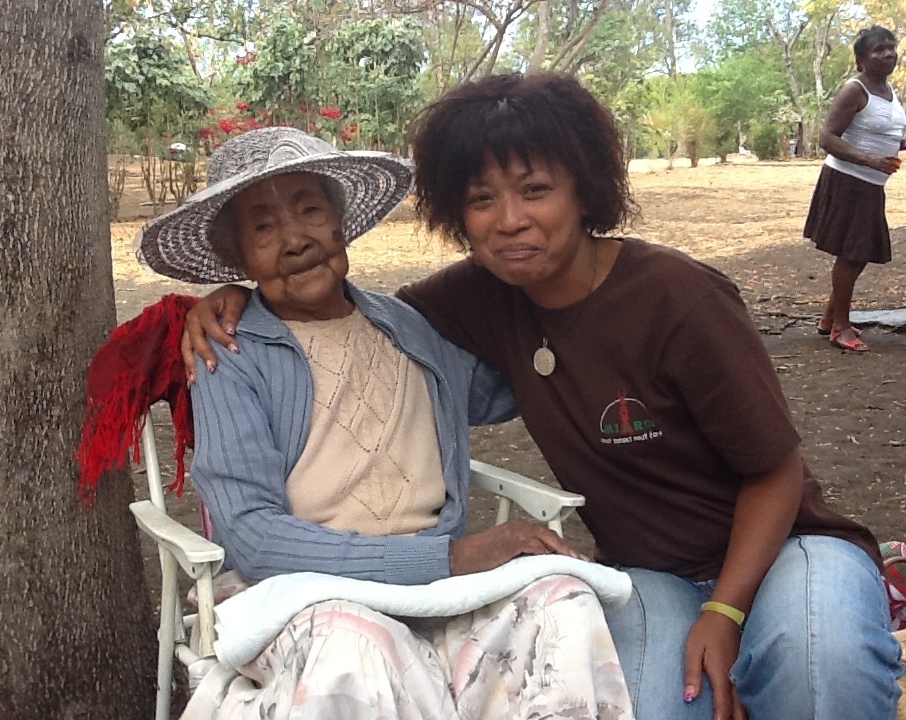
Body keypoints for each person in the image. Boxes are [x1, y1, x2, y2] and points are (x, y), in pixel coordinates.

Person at [185, 74, 904, 720]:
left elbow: (775, 469)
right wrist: (225, 305)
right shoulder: (463, 303)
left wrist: (725, 609)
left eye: (535, 190)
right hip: (649, 571)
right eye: (480, 200)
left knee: (822, 673)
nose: (510, 220)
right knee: (651, 706)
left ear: (584, 189)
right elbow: (331, 324)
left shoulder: (679, 299)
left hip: (784, 545)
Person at [137, 126, 635, 720]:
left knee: (563, 603)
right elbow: (254, 537)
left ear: (341, 225)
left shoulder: (408, 325)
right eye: (263, 228)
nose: (295, 240)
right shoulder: (230, 355)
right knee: (353, 645)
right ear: (240, 260)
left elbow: (515, 383)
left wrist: (565, 290)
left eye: (310, 211)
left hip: (438, 587)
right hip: (307, 593)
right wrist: (449, 560)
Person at [804, 25, 906, 352]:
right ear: (861, 60)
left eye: (891, 47)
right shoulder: (856, 89)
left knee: (857, 254)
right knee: (853, 255)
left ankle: (829, 317)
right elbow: (827, 137)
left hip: (871, 184)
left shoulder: (889, 93)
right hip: (849, 181)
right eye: (879, 49)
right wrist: (870, 160)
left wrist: (891, 151)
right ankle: (840, 327)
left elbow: (889, 138)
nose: (889, 53)